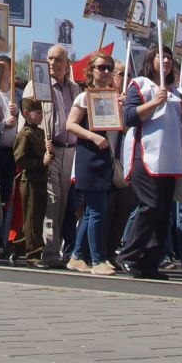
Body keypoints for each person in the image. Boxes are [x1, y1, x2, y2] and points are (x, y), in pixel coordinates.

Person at [115, 51, 182, 279]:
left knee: (163, 212)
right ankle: (128, 254)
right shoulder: (140, 85)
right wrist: (155, 102)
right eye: (159, 57)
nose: (165, 61)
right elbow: (129, 118)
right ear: (150, 61)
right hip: (144, 156)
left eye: (168, 57)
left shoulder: (175, 93)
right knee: (151, 205)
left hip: (169, 158)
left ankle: (150, 262)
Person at [65, 53, 119, 274]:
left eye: (109, 68)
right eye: (101, 67)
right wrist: (93, 136)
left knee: (92, 211)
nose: (105, 72)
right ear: (91, 70)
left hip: (104, 156)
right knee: (97, 210)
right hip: (89, 155)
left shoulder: (112, 96)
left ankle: (77, 256)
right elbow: (70, 125)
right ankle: (98, 259)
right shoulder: (84, 97)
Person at [38, 46, 79, 268]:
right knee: (52, 201)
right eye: (50, 58)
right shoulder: (37, 87)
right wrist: (40, 148)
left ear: (67, 63)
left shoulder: (74, 89)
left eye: (58, 59)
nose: (53, 63)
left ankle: (58, 249)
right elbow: (30, 120)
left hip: (71, 150)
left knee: (64, 202)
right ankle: (49, 252)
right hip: (50, 150)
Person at [8, 97, 47, 265]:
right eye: (37, 113)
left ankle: (17, 247)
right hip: (29, 179)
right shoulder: (24, 135)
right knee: (31, 217)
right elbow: (20, 160)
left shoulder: (39, 132)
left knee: (36, 216)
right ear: (26, 113)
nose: (41, 116)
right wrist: (41, 162)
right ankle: (33, 254)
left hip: (41, 178)